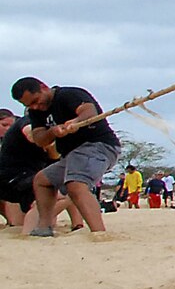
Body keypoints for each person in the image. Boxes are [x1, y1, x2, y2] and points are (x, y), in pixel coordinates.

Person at [11, 77, 119, 234]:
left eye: (36, 100)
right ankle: (44, 227)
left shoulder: (70, 94)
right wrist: (52, 132)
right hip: (71, 156)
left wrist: (75, 122)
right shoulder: (36, 112)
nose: (35, 106)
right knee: (42, 180)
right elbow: (39, 139)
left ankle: (98, 232)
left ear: (43, 87)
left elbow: (89, 111)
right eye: (29, 105)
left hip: (98, 146)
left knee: (76, 184)